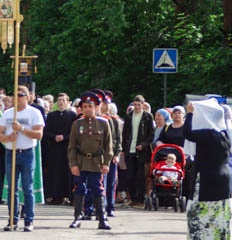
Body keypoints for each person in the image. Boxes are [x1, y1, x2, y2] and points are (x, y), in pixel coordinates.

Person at [178, 99, 231, 240]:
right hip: (223, 177)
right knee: (218, 211)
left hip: (206, 176)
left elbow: (187, 133)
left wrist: (189, 114)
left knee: (196, 209)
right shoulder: (224, 134)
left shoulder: (207, 133)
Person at [0, 84, 45, 231]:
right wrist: (8, 137)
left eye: (20, 95)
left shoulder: (34, 113)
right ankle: (12, 220)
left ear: (27, 97)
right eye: (15, 95)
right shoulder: (8, 113)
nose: (17, 98)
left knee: (27, 187)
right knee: (12, 188)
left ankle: (29, 220)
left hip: (27, 152)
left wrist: (22, 129)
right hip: (11, 152)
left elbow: (38, 135)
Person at [67, 91, 112, 230]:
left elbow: (108, 145)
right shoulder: (77, 124)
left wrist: (106, 163)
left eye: (90, 106)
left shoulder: (103, 123)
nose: (87, 109)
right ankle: (77, 217)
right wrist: (73, 164)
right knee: (79, 189)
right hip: (81, 161)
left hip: (96, 162)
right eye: (85, 106)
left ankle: (102, 219)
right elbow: (72, 146)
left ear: (96, 107)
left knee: (97, 189)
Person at [121, 94, 154, 207]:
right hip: (130, 149)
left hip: (142, 151)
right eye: (135, 105)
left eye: (138, 105)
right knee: (130, 175)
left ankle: (140, 199)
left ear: (143, 105)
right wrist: (124, 148)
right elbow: (125, 133)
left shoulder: (148, 117)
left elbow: (151, 135)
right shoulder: (129, 116)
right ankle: (133, 199)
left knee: (140, 176)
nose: (136, 107)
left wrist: (143, 145)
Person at [42, 93, 75, 205]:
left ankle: (70, 196)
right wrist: (54, 137)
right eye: (59, 100)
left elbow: (73, 132)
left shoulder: (72, 115)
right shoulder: (51, 116)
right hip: (55, 148)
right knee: (55, 172)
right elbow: (46, 132)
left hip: (67, 147)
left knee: (67, 172)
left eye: (63, 100)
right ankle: (56, 196)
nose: (61, 102)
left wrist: (64, 137)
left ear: (67, 102)